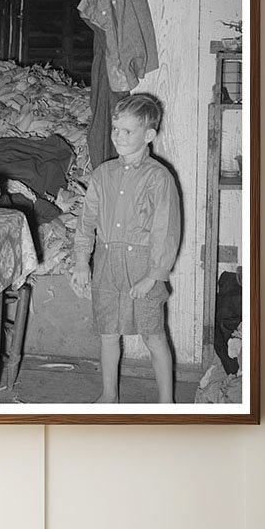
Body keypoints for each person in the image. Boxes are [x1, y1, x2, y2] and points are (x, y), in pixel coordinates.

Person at [71, 93, 181, 402]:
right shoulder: (102, 174)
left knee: (153, 334)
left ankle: (166, 402)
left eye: (127, 131)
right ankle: (109, 395)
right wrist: (81, 260)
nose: (118, 136)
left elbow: (166, 230)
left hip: (143, 266)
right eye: (115, 129)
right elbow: (86, 221)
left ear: (148, 135)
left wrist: (153, 275)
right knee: (108, 334)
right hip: (106, 263)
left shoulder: (159, 178)